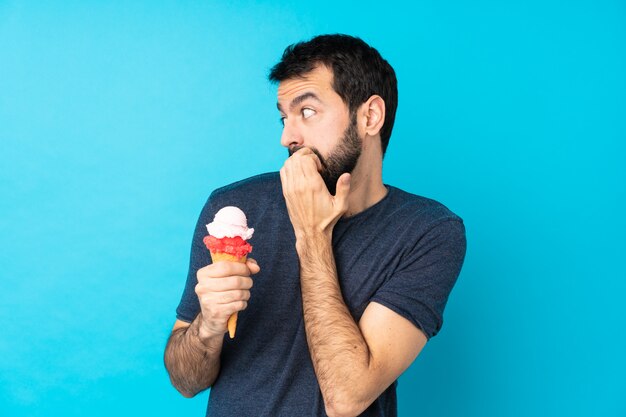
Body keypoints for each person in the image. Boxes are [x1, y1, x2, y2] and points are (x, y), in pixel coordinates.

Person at [164, 34, 466, 417]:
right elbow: (185, 381)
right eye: (283, 117)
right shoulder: (234, 206)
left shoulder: (428, 232)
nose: (287, 137)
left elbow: (347, 397)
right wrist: (207, 326)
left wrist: (312, 235)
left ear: (370, 116)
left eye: (307, 112)